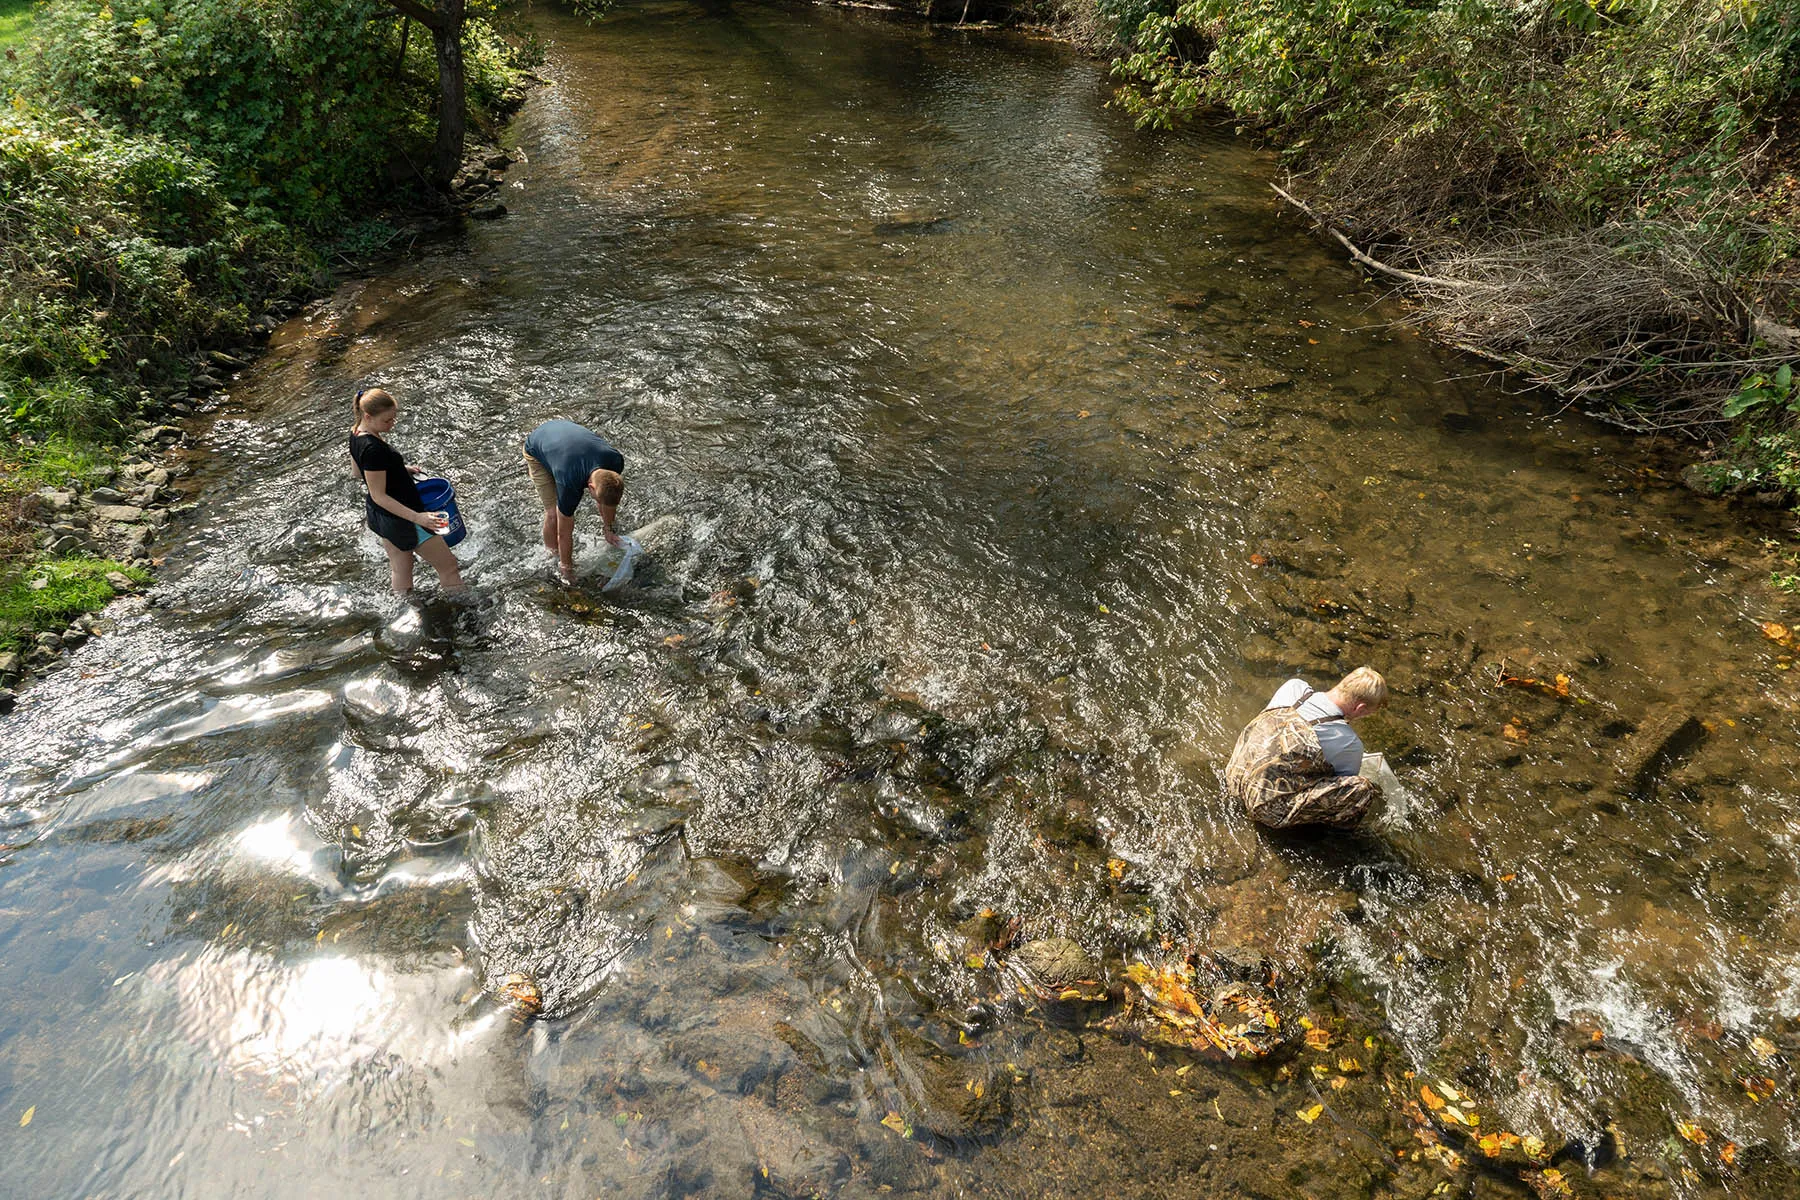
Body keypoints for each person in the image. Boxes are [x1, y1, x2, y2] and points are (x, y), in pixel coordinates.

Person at [1224, 666, 1388, 829]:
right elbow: (1340, 782)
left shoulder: (1294, 687)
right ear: (1359, 708)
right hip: (1262, 808)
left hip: (1235, 775)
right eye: (1366, 713)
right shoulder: (1349, 742)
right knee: (1361, 789)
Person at [348, 387, 465, 595]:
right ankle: (465, 610)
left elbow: (358, 472)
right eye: (387, 420)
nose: (392, 424)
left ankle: (406, 610)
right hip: (405, 518)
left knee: (401, 570)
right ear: (368, 415)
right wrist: (419, 518)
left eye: (393, 418)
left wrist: (398, 469)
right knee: (449, 567)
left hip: (382, 518)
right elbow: (379, 495)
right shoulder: (374, 449)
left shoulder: (356, 432)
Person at [522, 419, 625, 583]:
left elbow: (608, 500)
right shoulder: (569, 482)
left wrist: (609, 528)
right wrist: (566, 567)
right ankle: (551, 556)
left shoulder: (615, 461)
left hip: (563, 436)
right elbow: (564, 532)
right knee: (553, 515)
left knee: (603, 500)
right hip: (536, 448)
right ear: (589, 486)